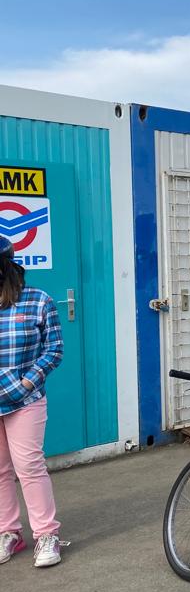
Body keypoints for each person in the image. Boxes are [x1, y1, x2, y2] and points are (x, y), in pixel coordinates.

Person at [0, 237, 65, 568]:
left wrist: (26, 382)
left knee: (28, 466)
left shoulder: (38, 300)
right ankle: (9, 532)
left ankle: (46, 534)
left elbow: (54, 349)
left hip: (25, 399)